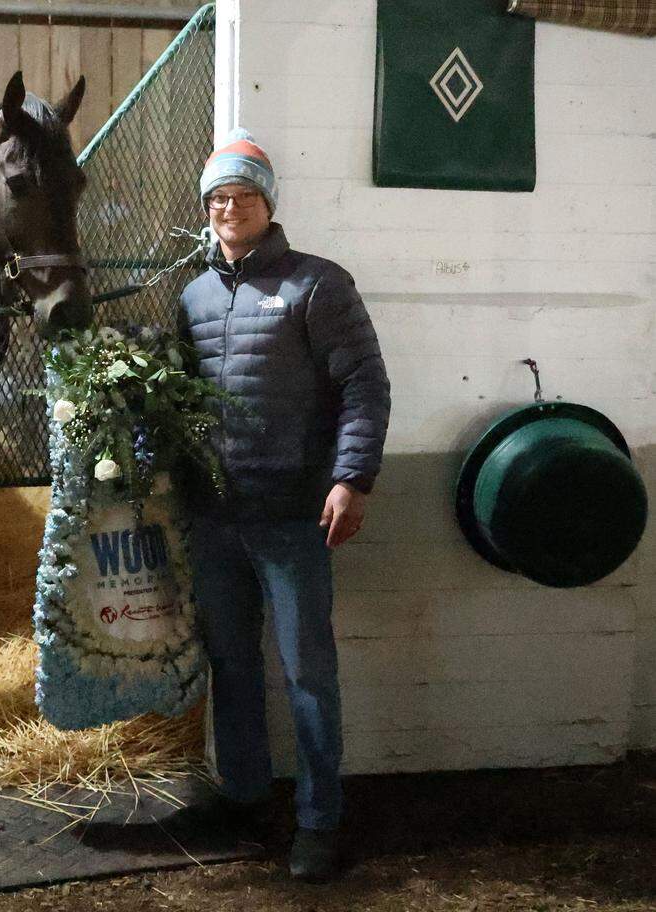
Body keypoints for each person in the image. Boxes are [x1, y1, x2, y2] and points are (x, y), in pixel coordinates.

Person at [176, 128, 391, 882]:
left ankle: (319, 819)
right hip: (216, 518)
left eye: (244, 195)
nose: (230, 208)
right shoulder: (194, 295)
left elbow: (365, 384)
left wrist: (352, 478)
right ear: (206, 211)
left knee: (307, 673)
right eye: (218, 198)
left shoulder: (318, 285)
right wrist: (180, 456)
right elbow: (192, 403)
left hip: (296, 514)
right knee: (233, 668)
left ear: (269, 204)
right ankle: (242, 799)